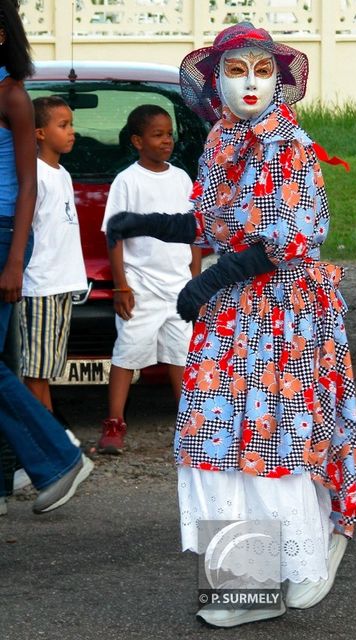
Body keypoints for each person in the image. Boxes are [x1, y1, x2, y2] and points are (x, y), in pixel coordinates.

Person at [108, 22, 356, 627]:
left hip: (283, 313)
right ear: (214, 81)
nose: (250, 83)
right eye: (235, 70)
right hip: (234, 312)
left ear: (279, 78)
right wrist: (145, 223)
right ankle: (246, 585)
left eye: (261, 70)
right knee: (220, 440)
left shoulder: (287, 145)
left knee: (273, 440)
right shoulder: (224, 138)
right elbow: (215, 221)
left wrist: (206, 282)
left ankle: (313, 548)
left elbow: (287, 238)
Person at [0, 0, 93, 515]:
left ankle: (60, 458)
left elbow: (29, 183)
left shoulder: (12, 95)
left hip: (4, 236)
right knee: (6, 363)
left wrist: (15, 259)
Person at [97, 104, 202, 455]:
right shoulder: (128, 181)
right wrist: (121, 285)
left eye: (169, 133)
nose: (166, 141)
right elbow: (114, 235)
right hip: (140, 286)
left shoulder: (182, 179)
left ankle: (191, 425)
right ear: (138, 141)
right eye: (157, 135)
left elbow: (194, 233)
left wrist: (194, 280)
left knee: (182, 354)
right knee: (128, 353)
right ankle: (114, 423)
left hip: (177, 286)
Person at [18, 95, 87, 418]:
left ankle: (50, 437)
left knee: (46, 368)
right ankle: (50, 441)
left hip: (61, 284)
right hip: (39, 285)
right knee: (34, 370)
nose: (72, 131)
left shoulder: (62, 173)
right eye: (63, 125)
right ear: (39, 133)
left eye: (71, 124)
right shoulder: (34, 174)